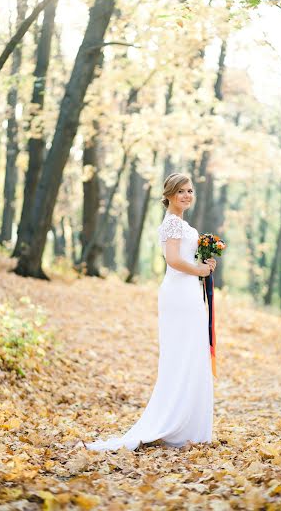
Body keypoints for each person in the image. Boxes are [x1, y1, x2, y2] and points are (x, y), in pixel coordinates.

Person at [84, 172, 216, 452]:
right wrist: (199, 270)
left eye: (190, 191)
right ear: (168, 194)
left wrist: (204, 264)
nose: (187, 196)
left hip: (189, 291)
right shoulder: (171, 224)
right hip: (179, 294)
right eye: (181, 191)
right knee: (180, 354)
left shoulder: (181, 223)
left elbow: (186, 258)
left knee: (192, 352)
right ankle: (174, 422)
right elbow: (173, 260)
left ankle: (189, 423)